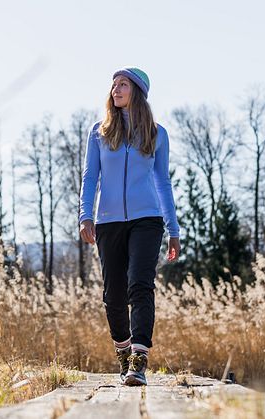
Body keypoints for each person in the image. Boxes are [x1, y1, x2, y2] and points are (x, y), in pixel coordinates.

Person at [79, 67, 181, 386]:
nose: (116, 88)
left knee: (140, 284)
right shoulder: (99, 132)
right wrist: (85, 214)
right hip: (108, 221)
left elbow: (162, 182)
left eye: (123, 84)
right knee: (113, 295)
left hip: (147, 220)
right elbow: (90, 177)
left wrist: (173, 229)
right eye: (113, 84)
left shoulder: (156, 133)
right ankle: (123, 352)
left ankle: (139, 358)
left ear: (137, 91)